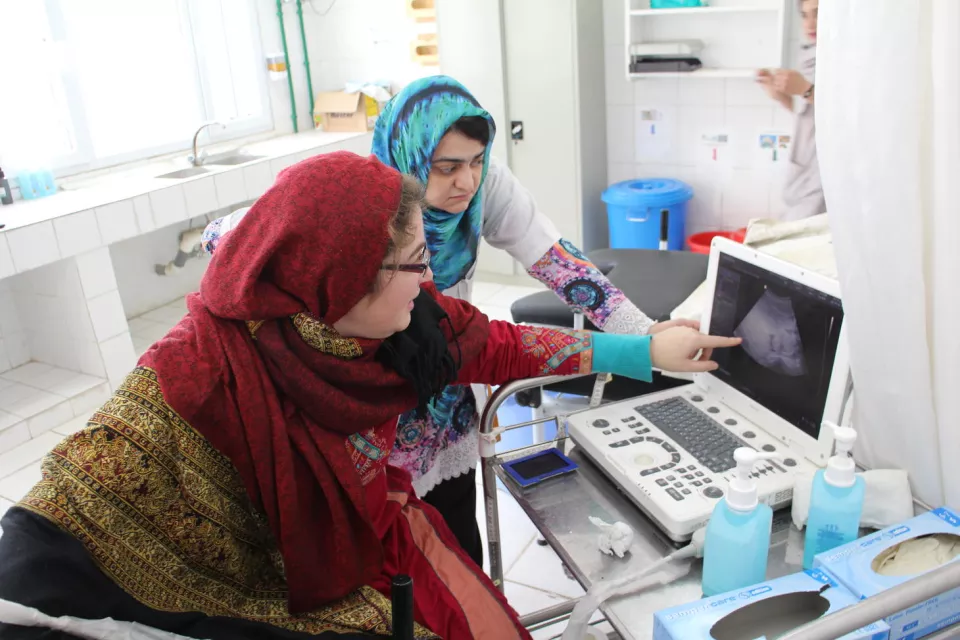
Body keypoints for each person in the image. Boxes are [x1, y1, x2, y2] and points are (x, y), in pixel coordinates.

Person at [0, 152, 739, 640]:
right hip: (284, 575)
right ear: (342, 275)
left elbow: (500, 345)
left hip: (377, 520)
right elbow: (65, 514)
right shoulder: (201, 366)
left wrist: (642, 349)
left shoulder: (412, 319)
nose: (428, 283)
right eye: (413, 264)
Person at [202, 75, 701, 567]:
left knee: (456, 543)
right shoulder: (362, 202)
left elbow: (550, 264)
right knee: (385, 552)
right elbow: (241, 234)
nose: (466, 181)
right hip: (365, 401)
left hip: (447, 372)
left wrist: (640, 333)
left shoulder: (479, 209)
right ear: (411, 157)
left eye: (477, 162)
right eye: (445, 168)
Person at [757, 0, 822, 221]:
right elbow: (807, 111)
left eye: (817, 14)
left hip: (824, 169)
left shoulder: (846, 57)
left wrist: (805, 89)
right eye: (804, 16)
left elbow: (845, 111)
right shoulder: (809, 55)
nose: (810, 24)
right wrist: (781, 96)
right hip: (805, 165)